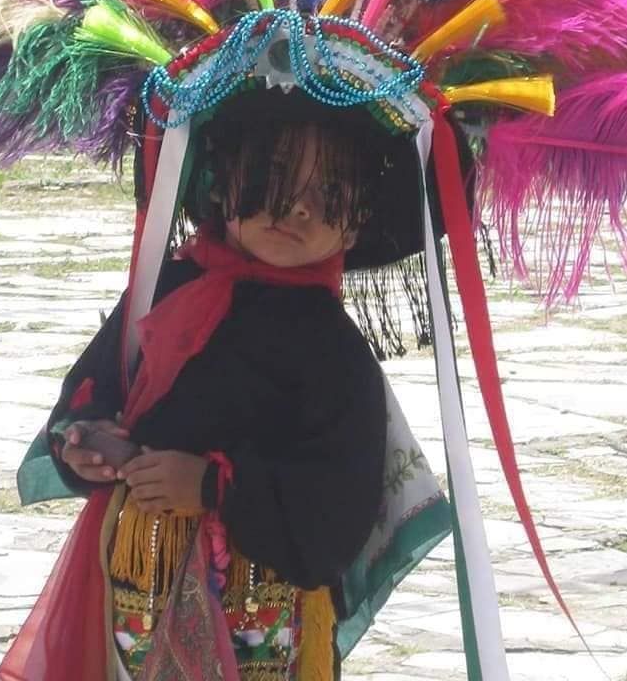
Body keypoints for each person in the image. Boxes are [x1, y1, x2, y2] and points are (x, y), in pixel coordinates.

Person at [39, 86, 438, 681]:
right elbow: (94, 388)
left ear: (355, 227)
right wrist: (84, 442)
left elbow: (335, 505)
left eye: (328, 194)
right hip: (134, 595)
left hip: (262, 621)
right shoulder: (164, 292)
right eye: (273, 178)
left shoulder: (333, 350)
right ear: (224, 185)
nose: (298, 209)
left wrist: (208, 485)